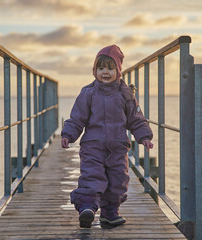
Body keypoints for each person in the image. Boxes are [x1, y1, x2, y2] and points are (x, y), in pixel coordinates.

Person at [61, 44, 153, 228]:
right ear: (94, 70)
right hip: (92, 146)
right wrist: (69, 134)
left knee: (118, 180)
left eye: (110, 68)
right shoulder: (88, 93)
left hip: (118, 147)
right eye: (101, 68)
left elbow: (136, 119)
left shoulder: (126, 94)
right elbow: (77, 118)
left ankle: (110, 213)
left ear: (118, 72)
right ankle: (87, 207)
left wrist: (144, 136)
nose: (105, 72)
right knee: (92, 176)